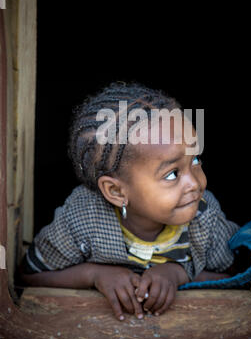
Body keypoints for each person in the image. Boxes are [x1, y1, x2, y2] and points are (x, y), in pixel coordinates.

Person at [19, 82, 239, 321]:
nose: (195, 184)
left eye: (195, 160)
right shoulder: (81, 218)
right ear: (116, 191)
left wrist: (178, 274)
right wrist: (95, 276)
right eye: (172, 174)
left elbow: (238, 277)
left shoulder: (203, 214)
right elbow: (29, 276)